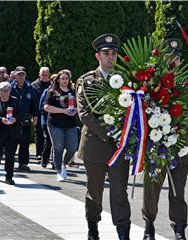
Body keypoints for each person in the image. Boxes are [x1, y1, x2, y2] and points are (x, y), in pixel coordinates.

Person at [76, 33, 131, 240]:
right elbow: (85, 114)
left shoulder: (127, 81)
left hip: (120, 147)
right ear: (97, 56)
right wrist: (111, 133)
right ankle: (93, 228)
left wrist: (125, 135)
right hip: (96, 144)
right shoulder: (87, 81)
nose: (111, 57)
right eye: (106, 53)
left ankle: (123, 232)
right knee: (95, 192)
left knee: (119, 192)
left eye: (114, 53)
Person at [142, 102, 188, 240]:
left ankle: (179, 229)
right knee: (151, 190)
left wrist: (176, 125)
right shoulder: (154, 84)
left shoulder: (184, 88)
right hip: (156, 148)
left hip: (180, 148)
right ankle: (149, 225)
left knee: (178, 192)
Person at [44, 70, 78, 181]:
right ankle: (59, 171)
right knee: (58, 147)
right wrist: (63, 111)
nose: (64, 80)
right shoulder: (52, 91)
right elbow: (47, 107)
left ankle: (64, 163)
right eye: (62, 78)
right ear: (58, 79)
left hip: (71, 124)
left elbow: (80, 106)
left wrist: (76, 110)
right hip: (55, 124)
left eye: (66, 78)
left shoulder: (74, 92)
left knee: (72, 147)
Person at [0, 81, 21, 185]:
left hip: (12, 133)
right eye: (2, 91)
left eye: (6, 91)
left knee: (10, 156)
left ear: (10, 91)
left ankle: (9, 176)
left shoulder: (15, 101)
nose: (4, 93)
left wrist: (15, 118)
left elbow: (22, 114)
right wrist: (1, 119)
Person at [10, 66, 38, 171]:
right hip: (13, 119)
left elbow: (34, 103)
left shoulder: (30, 88)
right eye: (19, 74)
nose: (21, 77)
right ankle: (10, 161)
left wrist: (35, 116)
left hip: (26, 119)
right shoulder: (10, 87)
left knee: (24, 142)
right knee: (12, 142)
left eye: (23, 74)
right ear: (15, 76)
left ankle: (23, 163)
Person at [32, 67, 51, 161]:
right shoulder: (34, 85)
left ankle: (46, 155)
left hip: (50, 114)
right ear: (39, 75)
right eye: (43, 74)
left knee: (48, 136)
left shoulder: (52, 85)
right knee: (39, 134)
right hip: (38, 113)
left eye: (46, 75)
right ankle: (39, 153)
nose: (44, 76)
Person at [38, 74, 57, 168]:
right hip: (46, 121)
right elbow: (41, 107)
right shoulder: (46, 91)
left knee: (57, 143)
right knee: (49, 141)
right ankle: (44, 159)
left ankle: (54, 162)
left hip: (58, 122)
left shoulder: (59, 92)